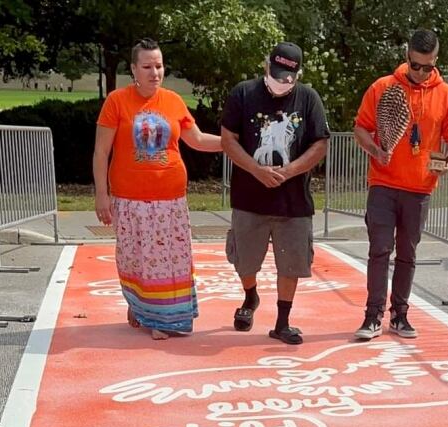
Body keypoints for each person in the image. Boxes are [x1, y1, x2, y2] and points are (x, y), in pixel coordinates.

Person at [93, 38, 221, 340]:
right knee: (137, 259)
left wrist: (234, 144)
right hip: (130, 200)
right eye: (147, 66)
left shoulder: (174, 102)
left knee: (170, 262)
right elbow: (101, 152)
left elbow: (198, 140)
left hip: (171, 202)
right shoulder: (116, 101)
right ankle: (142, 309)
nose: (155, 72)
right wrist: (102, 194)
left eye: (159, 66)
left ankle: (163, 319)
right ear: (134, 69)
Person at [353, 29, 448, 340]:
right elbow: (361, 128)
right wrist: (376, 150)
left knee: (407, 253)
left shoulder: (447, 95)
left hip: (420, 187)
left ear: (436, 62)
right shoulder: (383, 87)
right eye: (415, 65)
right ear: (407, 57)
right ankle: (372, 315)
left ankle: (399, 315)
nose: (420, 72)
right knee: (379, 250)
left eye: (427, 67)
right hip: (383, 183)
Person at [221, 41, 330, 345]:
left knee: (292, 262)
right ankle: (250, 296)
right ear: (265, 65)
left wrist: (291, 170)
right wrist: (256, 170)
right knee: (244, 261)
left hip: (292, 202)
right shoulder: (243, 93)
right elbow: (228, 139)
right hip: (248, 198)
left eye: (288, 78)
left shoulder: (308, 99)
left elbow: (320, 143)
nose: (281, 82)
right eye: (276, 74)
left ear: (297, 75)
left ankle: (283, 321)